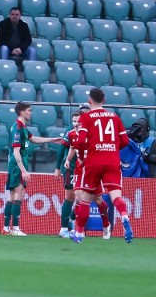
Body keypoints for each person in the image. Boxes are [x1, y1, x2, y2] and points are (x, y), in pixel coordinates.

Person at [71, 88, 133, 244]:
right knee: (116, 196)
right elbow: (125, 141)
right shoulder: (114, 117)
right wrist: (110, 148)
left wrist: (82, 150)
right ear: (104, 100)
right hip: (112, 161)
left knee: (85, 200)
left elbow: (81, 140)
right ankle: (124, 215)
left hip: (94, 161)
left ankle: (78, 233)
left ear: (89, 100)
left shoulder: (86, 117)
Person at [3, 102, 63, 236]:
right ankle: (16, 228)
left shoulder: (22, 127)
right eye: (29, 110)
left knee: (13, 195)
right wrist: (23, 170)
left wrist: (52, 139)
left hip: (16, 165)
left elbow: (34, 139)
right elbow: (16, 151)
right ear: (22, 112)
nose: (31, 113)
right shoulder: (18, 128)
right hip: (17, 165)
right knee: (19, 192)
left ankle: (6, 228)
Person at [63, 111, 113, 241]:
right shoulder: (71, 134)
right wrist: (68, 160)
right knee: (79, 198)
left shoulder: (92, 133)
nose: (76, 124)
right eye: (74, 121)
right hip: (79, 171)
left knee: (98, 201)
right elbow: (72, 148)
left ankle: (106, 225)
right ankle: (79, 229)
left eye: (79, 121)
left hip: (93, 171)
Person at [54, 104, 90, 238]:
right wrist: (58, 168)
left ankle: (73, 221)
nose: (76, 123)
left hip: (86, 169)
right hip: (72, 167)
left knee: (82, 199)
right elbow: (63, 149)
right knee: (70, 197)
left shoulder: (91, 130)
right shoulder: (70, 131)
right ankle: (64, 229)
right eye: (74, 121)